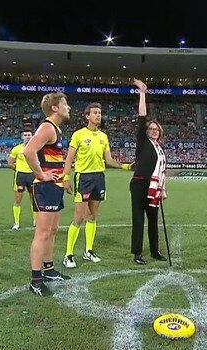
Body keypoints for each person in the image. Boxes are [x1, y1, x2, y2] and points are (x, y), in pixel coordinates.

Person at [61, 102, 132, 268]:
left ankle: (88, 251)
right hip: (83, 178)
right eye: (95, 113)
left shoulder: (103, 137)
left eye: (100, 113)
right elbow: (69, 158)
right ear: (87, 116)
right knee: (78, 217)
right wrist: (65, 177)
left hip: (99, 177)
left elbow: (109, 160)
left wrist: (125, 166)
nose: (98, 115)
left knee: (92, 216)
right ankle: (68, 255)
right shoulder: (78, 135)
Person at [23, 92, 72, 296]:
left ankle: (49, 270)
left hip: (56, 186)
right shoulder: (47, 127)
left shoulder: (56, 129)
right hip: (45, 187)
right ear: (55, 108)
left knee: (52, 231)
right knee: (42, 233)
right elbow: (28, 151)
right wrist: (41, 175)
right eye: (65, 104)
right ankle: (36, 280)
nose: (68, 107)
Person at [129, 79, 168, 265]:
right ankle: (137, 253)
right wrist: (142, 93)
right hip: (139, 185)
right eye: (150, 129)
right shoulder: (142, 142)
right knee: (138, 220)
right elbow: (142, 117)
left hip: (153, 189)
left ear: (160, 132)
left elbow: (162, 172)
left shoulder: (160, 149)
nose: (153, 130)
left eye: (156, 129)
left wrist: (163, 189)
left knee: (153, 220)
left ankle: (154, 250)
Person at [7, 129, 36, 230]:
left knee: (34, 199)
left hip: (32, 175)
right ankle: (16, 222)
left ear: (32, 136)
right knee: (18, 199)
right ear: (22, 137)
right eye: (25, 135)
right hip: (20, 176)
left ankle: (35, 221)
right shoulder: (17, 149)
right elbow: (10, 163)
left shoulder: (36, 148)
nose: (27, 136)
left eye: (29, 135)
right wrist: (18, 169)